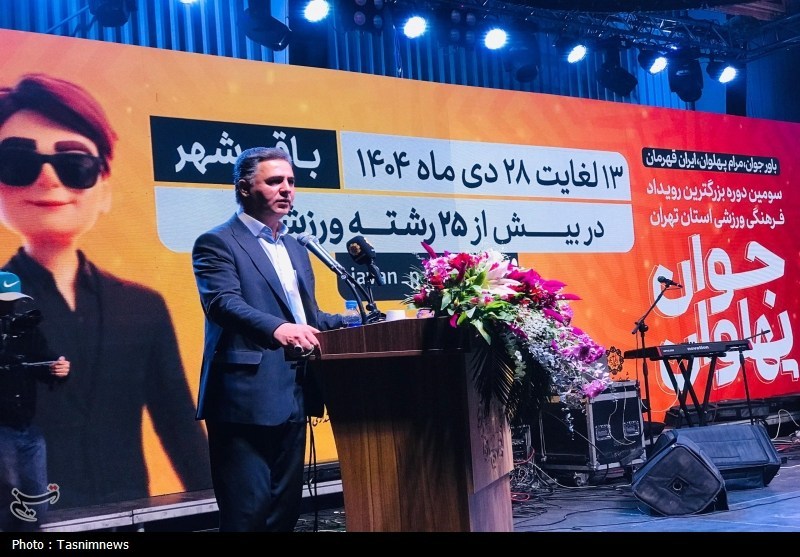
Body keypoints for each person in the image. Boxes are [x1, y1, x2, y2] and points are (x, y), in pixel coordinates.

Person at [0, 73, 211, 509]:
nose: (48, 178)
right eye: (18, 161)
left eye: (74, 163)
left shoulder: (143, 306)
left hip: (133, 510)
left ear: (105, 187)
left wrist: (215, 506)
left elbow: (179, 426)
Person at [192, 146, 345, 532]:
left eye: (291, 181)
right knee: (247, 516)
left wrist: (364, 320)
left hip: (294, 393)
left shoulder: (295, 247)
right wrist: (278, 329)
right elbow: (222, 303)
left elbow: (308, 319)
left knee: (283, 514)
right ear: (244, 188)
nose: (286, 189)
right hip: (244, 399)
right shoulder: (218, 242)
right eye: (275, 181)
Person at [0, 271, 70, 531]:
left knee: (37, 501)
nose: (10, 307)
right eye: (4, 302)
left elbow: (47, 362)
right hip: (1, 429)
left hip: (27, 429)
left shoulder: (26, 331)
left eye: (13, 301)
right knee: (8, 497)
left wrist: (60, 370)